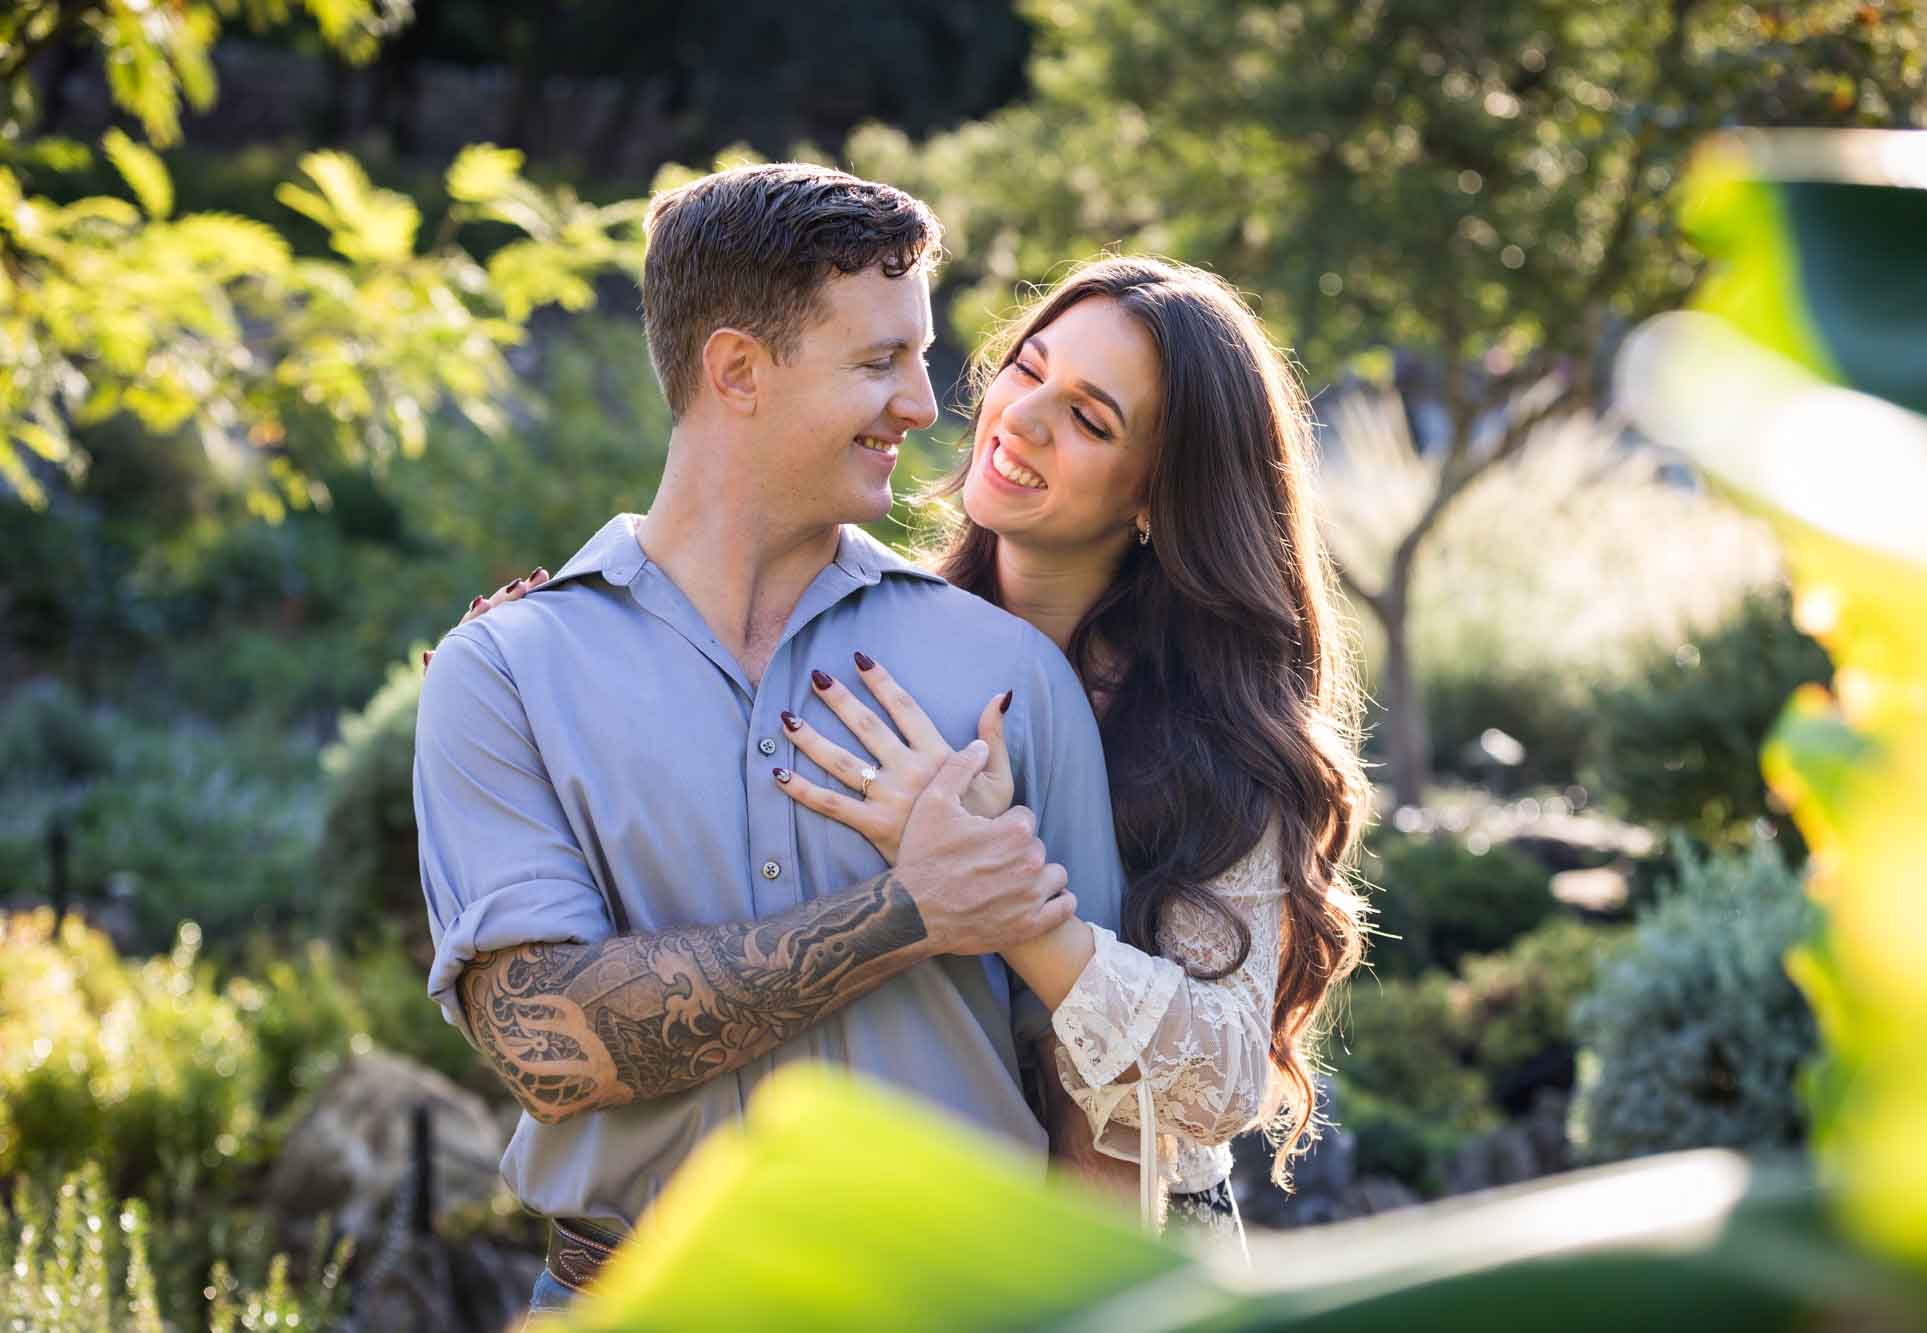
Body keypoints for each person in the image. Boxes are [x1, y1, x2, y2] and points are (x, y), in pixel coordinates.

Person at [455, 254, 1372, 1256]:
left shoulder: (1214, 743)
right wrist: (542, 657)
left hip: (1132, 1246)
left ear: (1159, 493)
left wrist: (1011, 909)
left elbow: (1225, 1076)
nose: (1022, 419)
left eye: (1088, 419)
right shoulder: (877, 643)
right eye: (1027, 369)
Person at [412, 163, 1130, 1321]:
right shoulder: (506, 674)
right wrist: (909, 910)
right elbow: (550, 1045)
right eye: (879, 362)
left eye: (921, 358)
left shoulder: (1007, 677)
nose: (922, 405)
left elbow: (1100, 1085)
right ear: (738, 370)